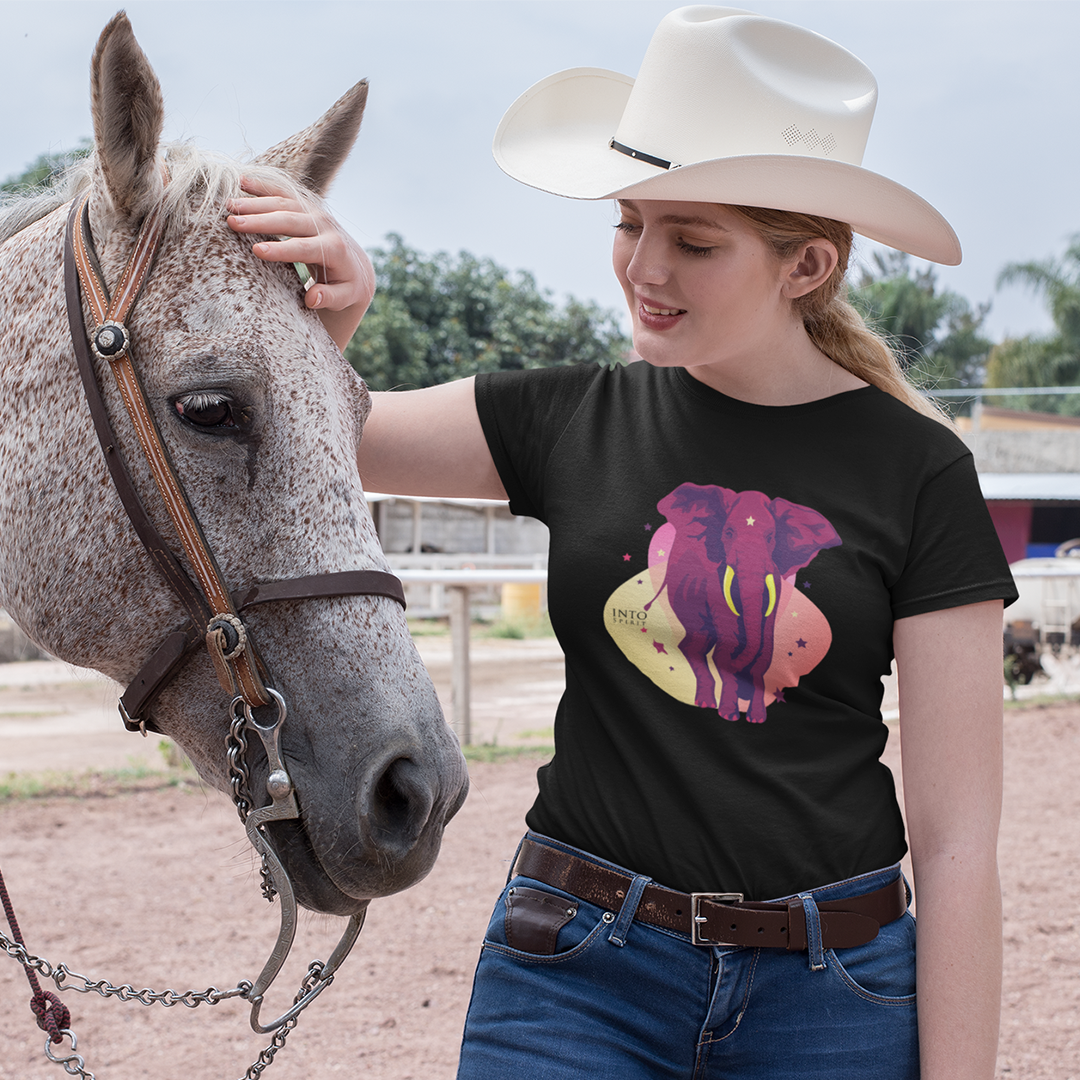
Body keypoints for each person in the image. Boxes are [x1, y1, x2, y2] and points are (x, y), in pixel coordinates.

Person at [226, 9, 1016, 1078]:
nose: (643, 266)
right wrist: (339, 316)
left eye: (694, 241)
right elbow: (317, 443)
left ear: (808, 265)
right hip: (576, 966)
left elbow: (960, 847)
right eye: (629, 221)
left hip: (836, 992)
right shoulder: (567, 417)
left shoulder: (920, 473)